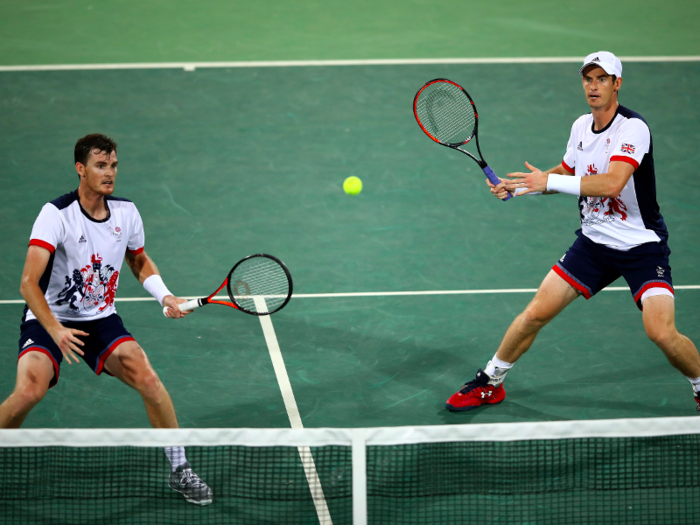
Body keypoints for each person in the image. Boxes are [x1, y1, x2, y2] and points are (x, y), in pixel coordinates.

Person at [446, 51, 700, 412]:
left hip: (641, 243)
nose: (593, 86)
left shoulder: (633, 129)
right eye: (588, 79)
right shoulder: (581, 126)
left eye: (602, 79)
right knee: (535, 313)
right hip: (595, 243)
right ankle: (491, 382)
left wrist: (548, 180)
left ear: (617, 84)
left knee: (660, 332)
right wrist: (519, 187)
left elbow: (613, 183)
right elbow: (567, 173)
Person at [0, 134, 213, 505]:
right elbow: (27, 284)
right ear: (80, 169)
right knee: (28, 391)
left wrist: (164, 294)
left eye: (113, 165)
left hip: (100, 318)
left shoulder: (126, 213)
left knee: (148, 378)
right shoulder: (56, 215)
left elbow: (138, 260)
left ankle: (179, 468)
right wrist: (56, 330)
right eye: (101, 165)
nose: (109, 173)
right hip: (49, 317)